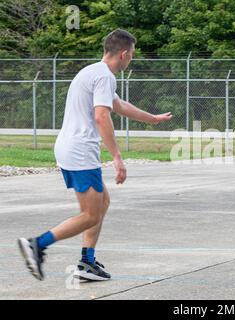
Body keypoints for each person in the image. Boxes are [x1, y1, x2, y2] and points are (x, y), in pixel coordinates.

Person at [18, 29, 172, 281]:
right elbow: (102, 116)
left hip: (71, 148)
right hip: (80, 151)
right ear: (123, 54)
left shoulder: (93, 71)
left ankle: (87, 262)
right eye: (131, 55)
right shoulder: (104, 77)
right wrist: (117, 157)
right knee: (90, 214)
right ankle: (37, 244)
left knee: (102, 203)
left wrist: (152, 118)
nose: (131, 59)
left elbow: (118, 105)